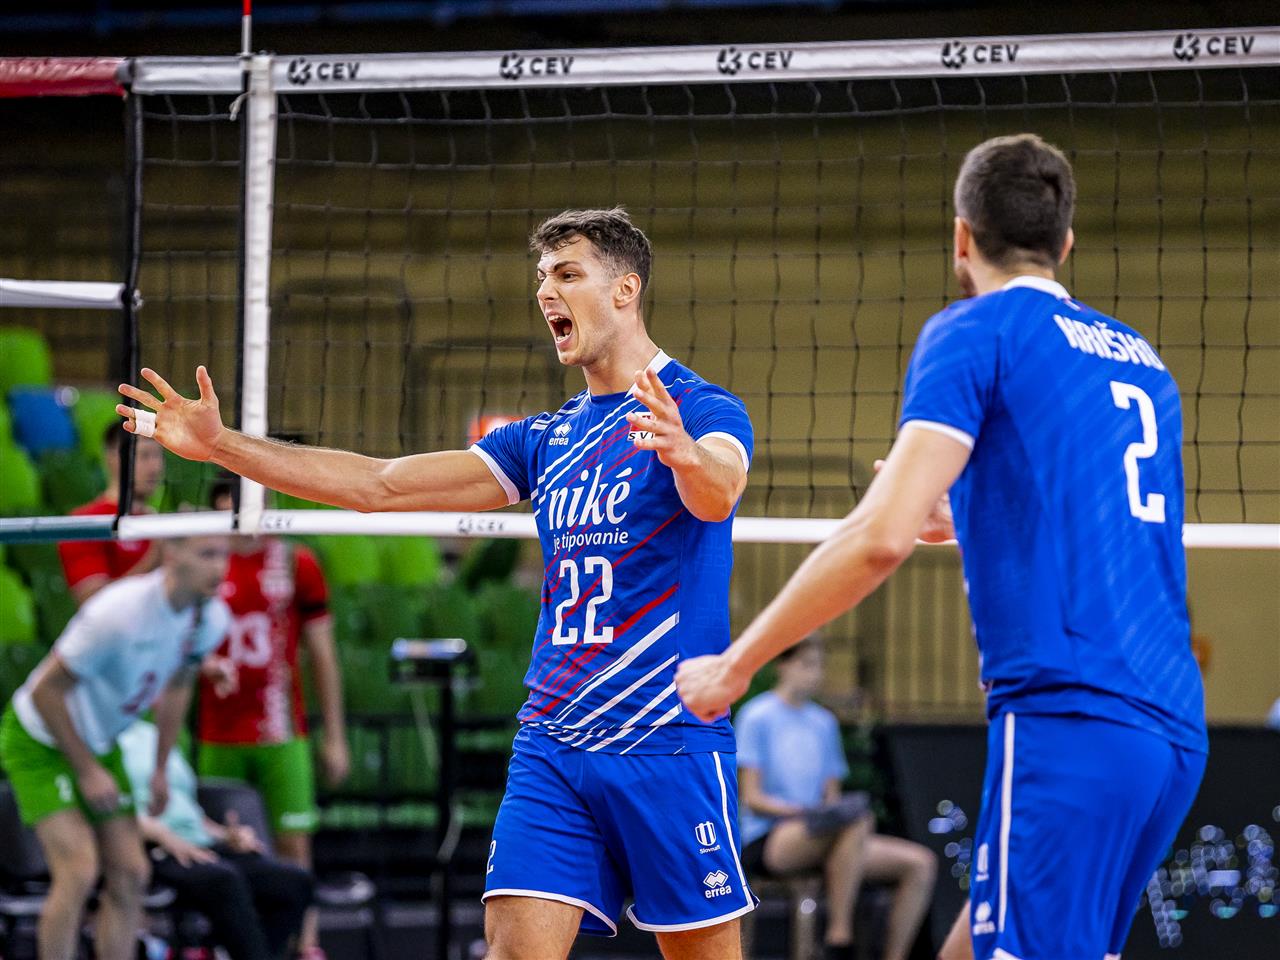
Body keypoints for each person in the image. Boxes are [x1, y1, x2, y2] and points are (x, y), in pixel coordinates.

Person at [115, 207, 757, 960]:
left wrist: (685, 454)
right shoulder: (547, 437)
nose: (546, 291)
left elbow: (720, 490)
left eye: (568, 274)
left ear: (626, 289)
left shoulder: (700, 407)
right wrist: (223, 446)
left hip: (665, 740)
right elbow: (379, 485)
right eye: (542, 277)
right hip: (553, 742)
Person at [677, 134, 1207, 960]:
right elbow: (1108, 534)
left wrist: (735, 666)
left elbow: (878, 538)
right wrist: (967, 518)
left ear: (961, 237)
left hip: (1071, 718)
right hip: (1172, 730)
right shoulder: (1145, 366)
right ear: (1066, 242)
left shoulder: (976, 331)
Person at [0, 535, 231, 960]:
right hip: (40, 738)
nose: (219, 567)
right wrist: (87, 770)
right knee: (79, 870)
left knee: (131, 872)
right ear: (171, 553)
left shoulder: (211, 618)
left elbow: (178, 688)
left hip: (101, 741)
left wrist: (160, 769)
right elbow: (45, 692)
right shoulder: (119, 613)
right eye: (206, 554)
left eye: (223, 554)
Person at [199, 478, 348, 959]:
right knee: (222, 852)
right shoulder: (205, 559)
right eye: (236, 501)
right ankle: (226, 945)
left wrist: (335, 736)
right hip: (218, 733)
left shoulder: (296, 562)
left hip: (281, 730)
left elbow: (322, 653)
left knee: (294, 846)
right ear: (220, 506)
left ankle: (307, 946)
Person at [736, 637, 936, 960]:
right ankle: (839, 937)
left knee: (919, 864)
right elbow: (751, 797)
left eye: (819, 666)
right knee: (856, 820)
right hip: (771, 835)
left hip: (828, 834)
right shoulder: (756, 716)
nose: (814, 674)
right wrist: (800, 812)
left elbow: (833, 797)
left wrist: (825, 814)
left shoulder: (824, 722)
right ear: (782, 665)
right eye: (806, 664)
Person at [119, 719, 314, 960]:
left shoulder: (153, 736)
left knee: (293, 881)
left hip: (199, 843)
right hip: (150, 848)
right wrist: (161, 834)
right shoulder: (98, 743)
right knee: (225, 878)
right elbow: (105, 814)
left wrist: (227, 835)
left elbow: (187, 808)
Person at [57, 421, 167, 605]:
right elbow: (93, 602)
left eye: (159, 456)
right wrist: (154, 558)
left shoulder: (159, 523)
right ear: (115, 459)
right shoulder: (85, 522)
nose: (156, 467)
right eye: (145, 456)